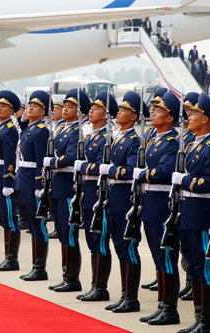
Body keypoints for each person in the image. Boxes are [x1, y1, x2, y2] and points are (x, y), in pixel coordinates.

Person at [134, 91, 181, 325]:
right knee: (158, 257)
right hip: (150, 202)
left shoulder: (172, 141)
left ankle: (170, 310)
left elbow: (162, 171)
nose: (152, 112)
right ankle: (163, 304)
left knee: (166, 257)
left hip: (162, 205)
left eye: (159, 110)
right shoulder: (155, 138)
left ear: (170, 117)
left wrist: (143, 174)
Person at [102, 91, 149, 313]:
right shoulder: (116, 137)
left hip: (124, 199)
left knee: (128, 247)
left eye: (124, 110)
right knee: (119, 247)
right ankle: (124, 295)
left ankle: (132, 298)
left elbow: (131, 171)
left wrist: (110, 170)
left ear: (133, 117)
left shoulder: (133, 140)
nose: (118, 112)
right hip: (112, 198)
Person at [45, 88, 91, 293]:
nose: (65, 110)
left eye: (71, 107)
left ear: (80, 111)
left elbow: (71, 156)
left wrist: (53, 162)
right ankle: (66, 275)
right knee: (63, 232)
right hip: (58, 184)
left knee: (70, 232)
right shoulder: (63, 128)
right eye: (64, 106)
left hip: (68, 186)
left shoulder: (78, 131)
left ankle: (73, 278)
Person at [172, 92, 210, 333]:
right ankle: (198, 317)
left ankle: (206, 320)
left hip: (202, 213)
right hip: (187, 211)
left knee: (204, 267)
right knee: (193, 266)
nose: (190, 117)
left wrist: (185, 179)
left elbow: (206, 182)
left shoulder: (207, 147)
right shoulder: (191, 143)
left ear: (205, 118)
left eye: (195, 113)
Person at [75, 91, 118, 302]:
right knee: (92, 239)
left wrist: (83, 166)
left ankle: (101, 288)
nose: (91, 111)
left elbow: (103, 165)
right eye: (91, 107)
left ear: (107, 113)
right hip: (87, 191)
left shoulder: (107, 137)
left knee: (100, 239)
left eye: (97, 108)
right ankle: (95, 285)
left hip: (99, 192)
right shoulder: (90, 134)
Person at [17, 90, 51, 281]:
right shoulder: (29, 128)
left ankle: (40, 268)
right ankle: (35, 266)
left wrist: (40, 184)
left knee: (38, 224)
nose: (30, 108)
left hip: (32, 179)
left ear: (44, 111)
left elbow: (40, 160)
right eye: (30, 105)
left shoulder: (41, 131)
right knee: (30, 222)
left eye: (36, 106)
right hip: (23, 177)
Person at [0, 90, 21, 270]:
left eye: (4, 106)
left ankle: (12, 259)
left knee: (9, 218)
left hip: (3, 175)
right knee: (2, 217)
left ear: (12, 110)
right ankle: (7, 256)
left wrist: (8, 181)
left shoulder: (10, 130)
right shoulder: (1, 126)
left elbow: (10, 158)